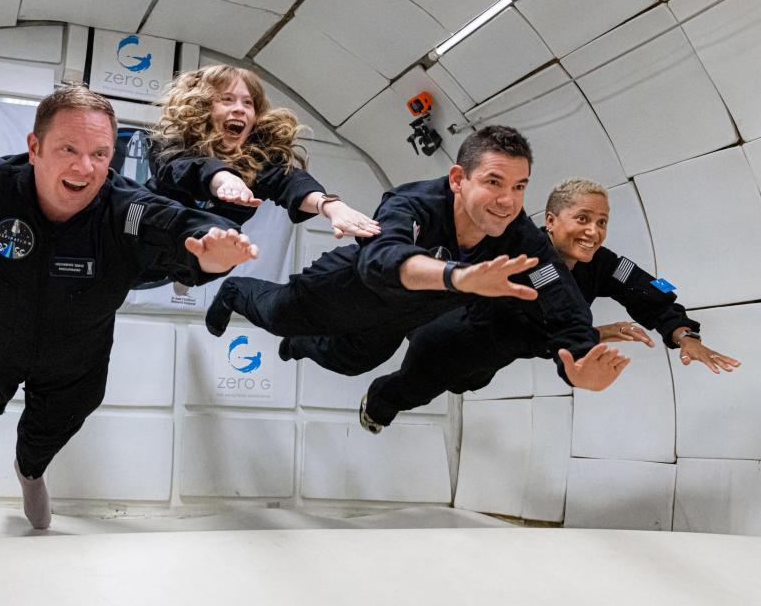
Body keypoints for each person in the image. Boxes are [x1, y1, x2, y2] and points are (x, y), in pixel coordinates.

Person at [0, 84, 259, 529]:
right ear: (34, 147)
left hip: (76, 359)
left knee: (48, 432)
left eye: (101, 154)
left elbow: (184, 227)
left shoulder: (124, 210)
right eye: (69, 148)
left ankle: (30, 472)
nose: (85, 168)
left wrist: (211, 258)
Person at [204, 126, 628, 412]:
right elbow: (379, 259)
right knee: (279, 316)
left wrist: (578, 360)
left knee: (351, 362)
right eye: (494, 182)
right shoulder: (413, 202)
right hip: (344, 289)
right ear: (459, 178)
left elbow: (560, 296)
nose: (507, 200)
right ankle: (235, 291)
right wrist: (454, 276)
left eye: (519, 187)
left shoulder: (520, 236)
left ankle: (299, 346)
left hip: (401, 317)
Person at [358, 176, 739, 433]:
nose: (594, 231)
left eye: (602, 222)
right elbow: (534, 323)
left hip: (494, 357)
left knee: (468, 382)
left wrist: (684, 334)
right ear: (552, 221)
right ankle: (375, 404)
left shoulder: (602, 263)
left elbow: (647, 290)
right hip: (449, 338)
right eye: (583, 218)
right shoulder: (517, 252)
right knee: (411, 390)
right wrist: (591, 334)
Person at [148, 64, 380, 239]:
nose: (239, 109)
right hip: (146, 233)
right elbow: (179, 167)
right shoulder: (173, 142)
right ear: (202, 107)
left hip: (197, 256)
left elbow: (292, 182)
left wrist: (331, 207)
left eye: (248, 103)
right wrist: (224, 178)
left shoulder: (259, 160)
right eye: (227, 100)